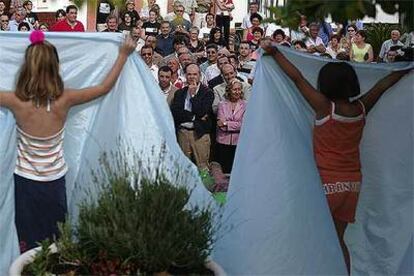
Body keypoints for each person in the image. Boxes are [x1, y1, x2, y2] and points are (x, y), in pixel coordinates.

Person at [265, 44, 410, 272]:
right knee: (338, 239)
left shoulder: (324, 107)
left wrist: (275, 53)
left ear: (326, 84)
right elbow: (383, 85)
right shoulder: (361, 108)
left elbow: (297, 78)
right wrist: (406, 67)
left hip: (326, 183)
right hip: (352, 185)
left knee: (314, 239)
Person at [0, 30, 136, 252]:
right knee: (56, 241)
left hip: (25, 182)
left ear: (27, 67)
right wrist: (122, 54)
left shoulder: (16, 100)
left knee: (28, 243)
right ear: (55, 67)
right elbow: (103, 88)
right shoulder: (66, 98)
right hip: (54, 182)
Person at [170, 63, 214, 170]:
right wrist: (193, 117)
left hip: (199, 134)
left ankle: (205, 187)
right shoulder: (179, 93)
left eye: (195, 74)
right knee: (183, 167)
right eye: (189, 74)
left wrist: (193, 95)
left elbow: (201, 111)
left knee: (202, 167)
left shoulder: (207, 93)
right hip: (183, 133)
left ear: (199, 75)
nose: (192, 77)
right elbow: (175, 113)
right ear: (185, 75)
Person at [216, 79, 246, 173]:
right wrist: (235, 125)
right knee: (224, 170)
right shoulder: (222, 104)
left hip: (239, 143)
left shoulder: (246, 105)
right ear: (229, 90)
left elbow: (244, 125)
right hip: (223, 142)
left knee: (237, 170)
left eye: (239, 89)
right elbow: (220, 125)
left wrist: (226, 123)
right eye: (234, 89)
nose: (237, 92)